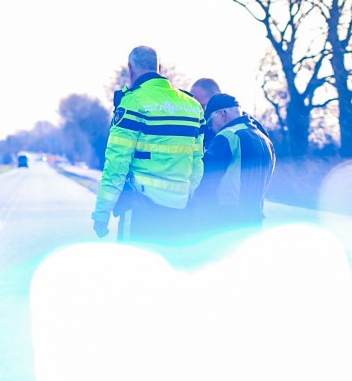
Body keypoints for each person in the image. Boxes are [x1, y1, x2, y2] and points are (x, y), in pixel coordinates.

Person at [93, 46, 204, 242]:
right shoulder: (192, 106)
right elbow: (197, 162)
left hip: (141, 210)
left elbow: (116, 164)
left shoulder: (133, 102)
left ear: (130, 68)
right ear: (158, 67)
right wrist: (185, 194)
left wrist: (102, 213)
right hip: (179, 210)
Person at [193, 92, 275, 234]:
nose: (211, 128)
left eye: (210, 121)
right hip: (254, 221)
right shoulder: (265, 140)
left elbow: (206, 181)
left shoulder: (227, 137)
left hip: (226, 221)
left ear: (222, 114)